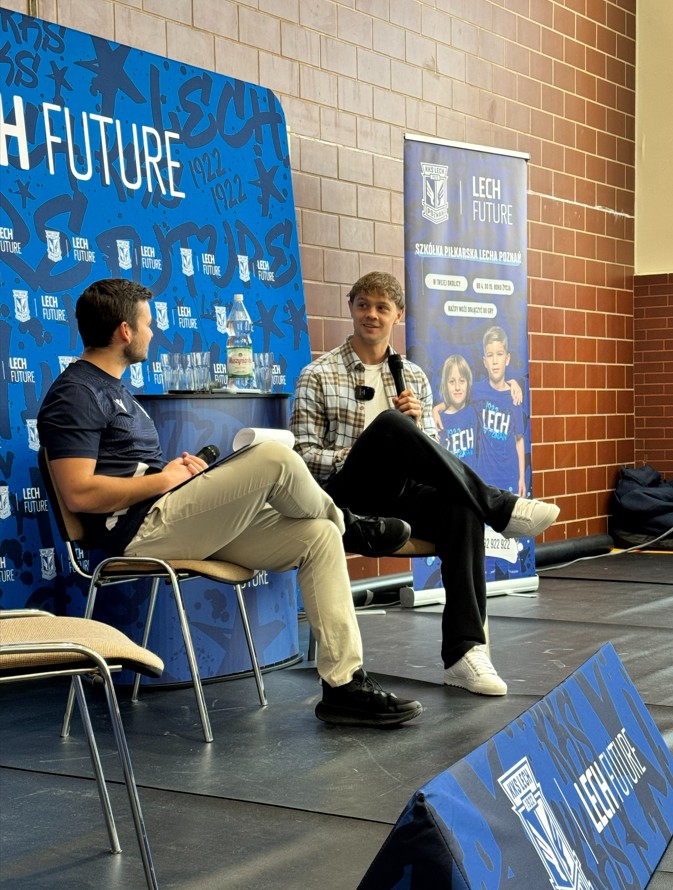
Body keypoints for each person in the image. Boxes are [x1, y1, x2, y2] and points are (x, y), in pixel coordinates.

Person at [37, 278, 423, 729]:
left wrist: (172, 474)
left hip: (170, 518)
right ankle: (351, 524)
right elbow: (79, 493)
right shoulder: (77, 393)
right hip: (136, 535)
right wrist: (163, 480)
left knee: (318, 536)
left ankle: (343, 687)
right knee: (275, 457)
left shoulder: (115, 389)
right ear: (125, 331)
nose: (152, 332)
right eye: (147, 323)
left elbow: (127, 472)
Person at [290, 271, 559, 697]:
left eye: (381, 307)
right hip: (344, 498)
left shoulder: (413, 376)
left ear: (398, 314)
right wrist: (371, 448)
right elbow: (303, 457)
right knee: (389, 427)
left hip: (400, 495)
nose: (371, 315)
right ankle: (500, 507)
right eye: (363, 305)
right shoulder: (317, 374)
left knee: (460, 507)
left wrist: (416, 430)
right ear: (351, 309)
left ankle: (464, 654)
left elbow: (435, 459)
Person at [472, 325, 526, 496]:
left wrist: (522, 478)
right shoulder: (476, 390)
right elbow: (454, 400)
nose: (495, 361)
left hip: (510, 477)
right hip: (485, 479)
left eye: (499, 354)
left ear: (507, 359)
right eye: (490, 355)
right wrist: (437, 409)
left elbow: (519, 439)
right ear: (484, 361)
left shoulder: (514, 396)